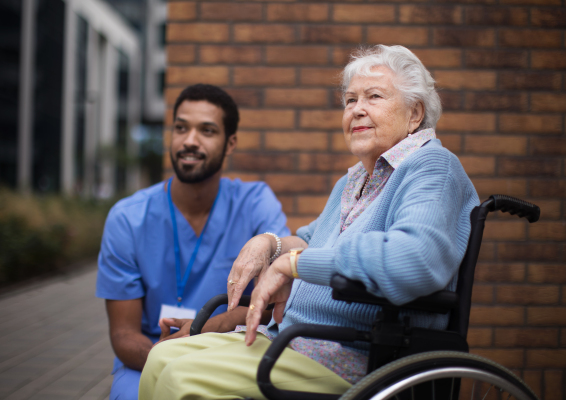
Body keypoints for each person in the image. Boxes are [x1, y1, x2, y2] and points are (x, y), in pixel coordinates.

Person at [139, 45, 480, 400]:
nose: (357, 109)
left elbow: (413, 259)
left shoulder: (433, 167)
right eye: (350, 100)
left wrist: (294, 265)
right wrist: (269, 245)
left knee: (183, 378)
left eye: (374, 96)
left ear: (415, 113)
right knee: (161, 357)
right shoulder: (355, 181)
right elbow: (309, 242)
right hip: (296, 340)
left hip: (354, 354)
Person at [96, 84, 289, 400]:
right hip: (148, 355)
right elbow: (123, 333)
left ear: (230, 144)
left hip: (229, 351)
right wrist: (168, 361)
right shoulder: (127, 218)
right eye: (181, 128)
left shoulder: (255, 204)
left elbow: (270, 307)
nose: (189, 141)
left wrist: (213, 325)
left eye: (207, 131)